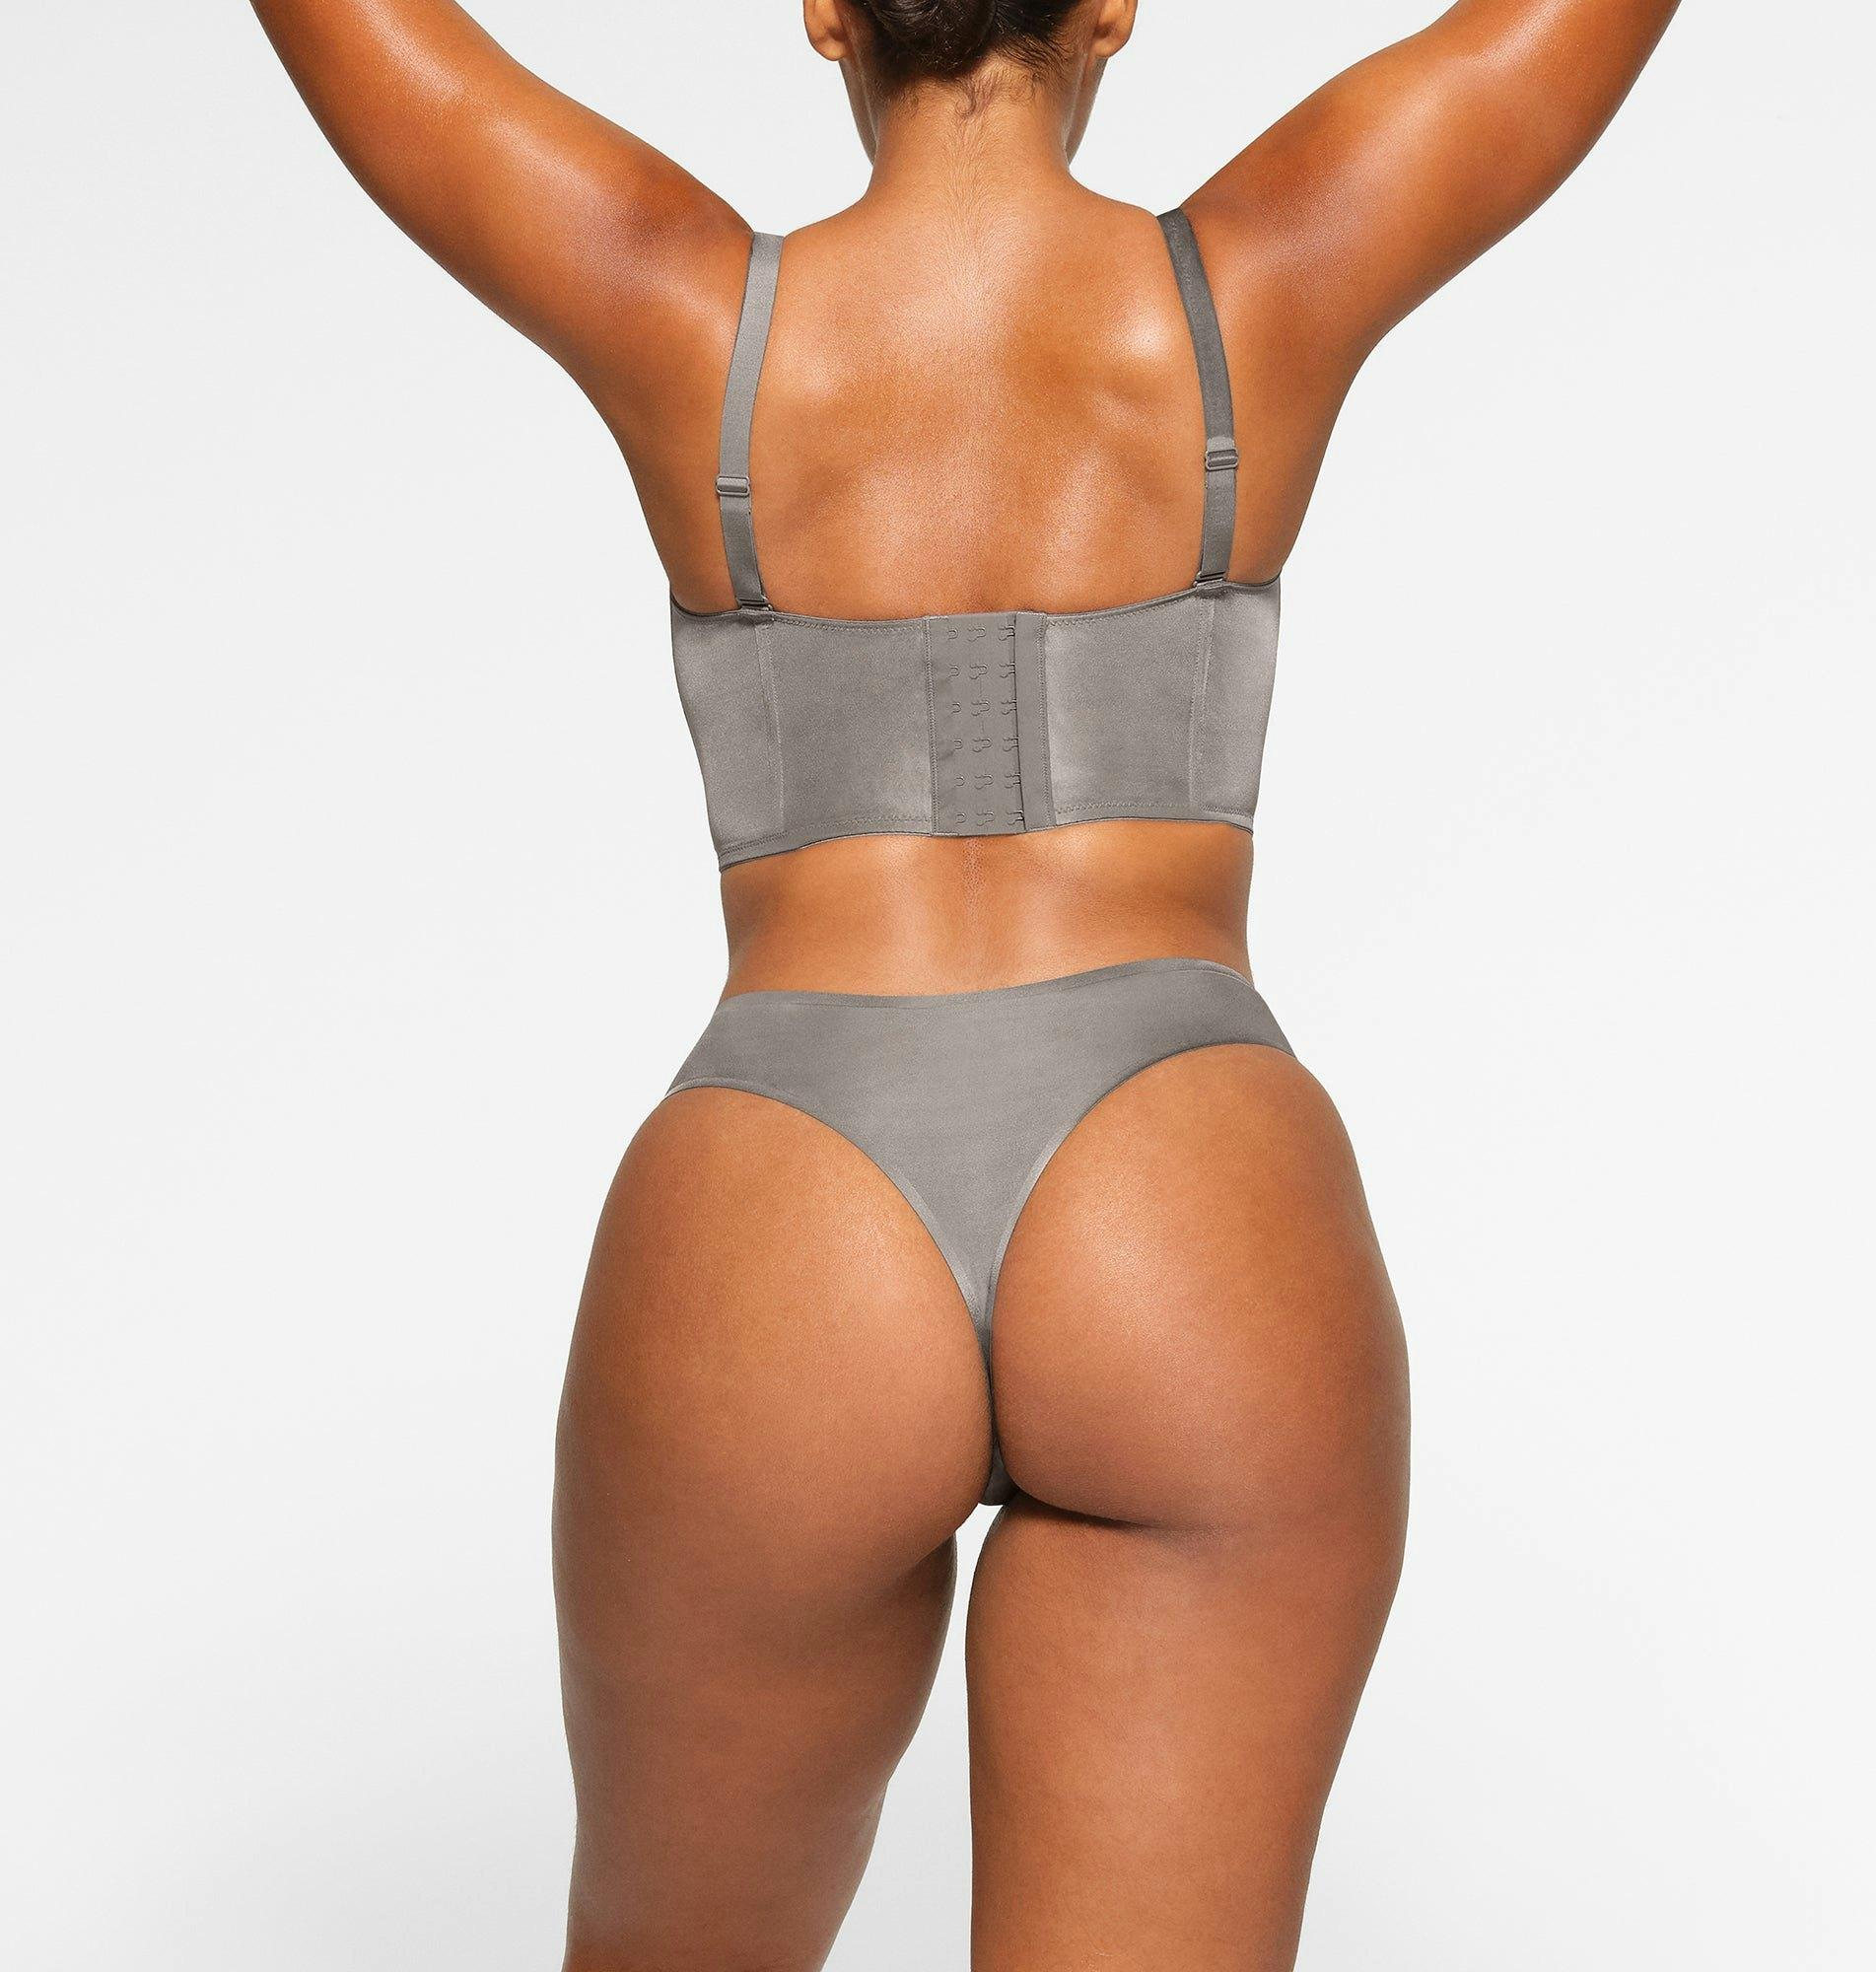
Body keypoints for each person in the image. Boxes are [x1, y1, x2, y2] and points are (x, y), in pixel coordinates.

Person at [249, 2, 1680, 1965]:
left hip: (783, 1204)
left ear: (825, 10)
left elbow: (379, 47)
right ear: (1112, 7)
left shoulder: (690, 312)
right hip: (1186, 1185)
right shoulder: (1254, 286)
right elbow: (1550, 38)